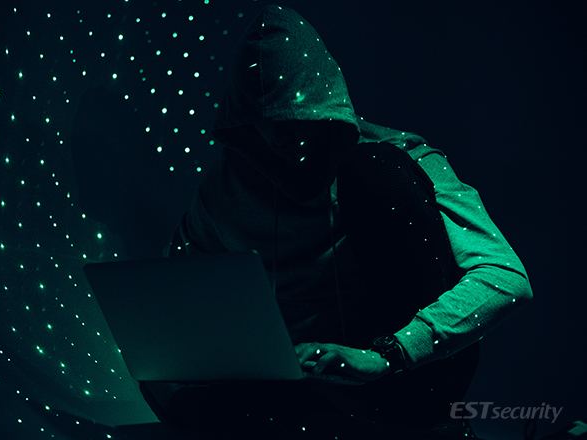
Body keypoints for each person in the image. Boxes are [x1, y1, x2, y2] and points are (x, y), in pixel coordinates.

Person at [140, 5, 533, 439]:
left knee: (376, 170)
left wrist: (388, 354)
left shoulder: (402, 156)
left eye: (299, 119)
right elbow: (170, 296)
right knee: (175, 392)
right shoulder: (224, 187)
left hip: (396, 373)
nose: (286, 137)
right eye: (269, 123)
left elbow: (506, 278)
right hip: (302, 385)